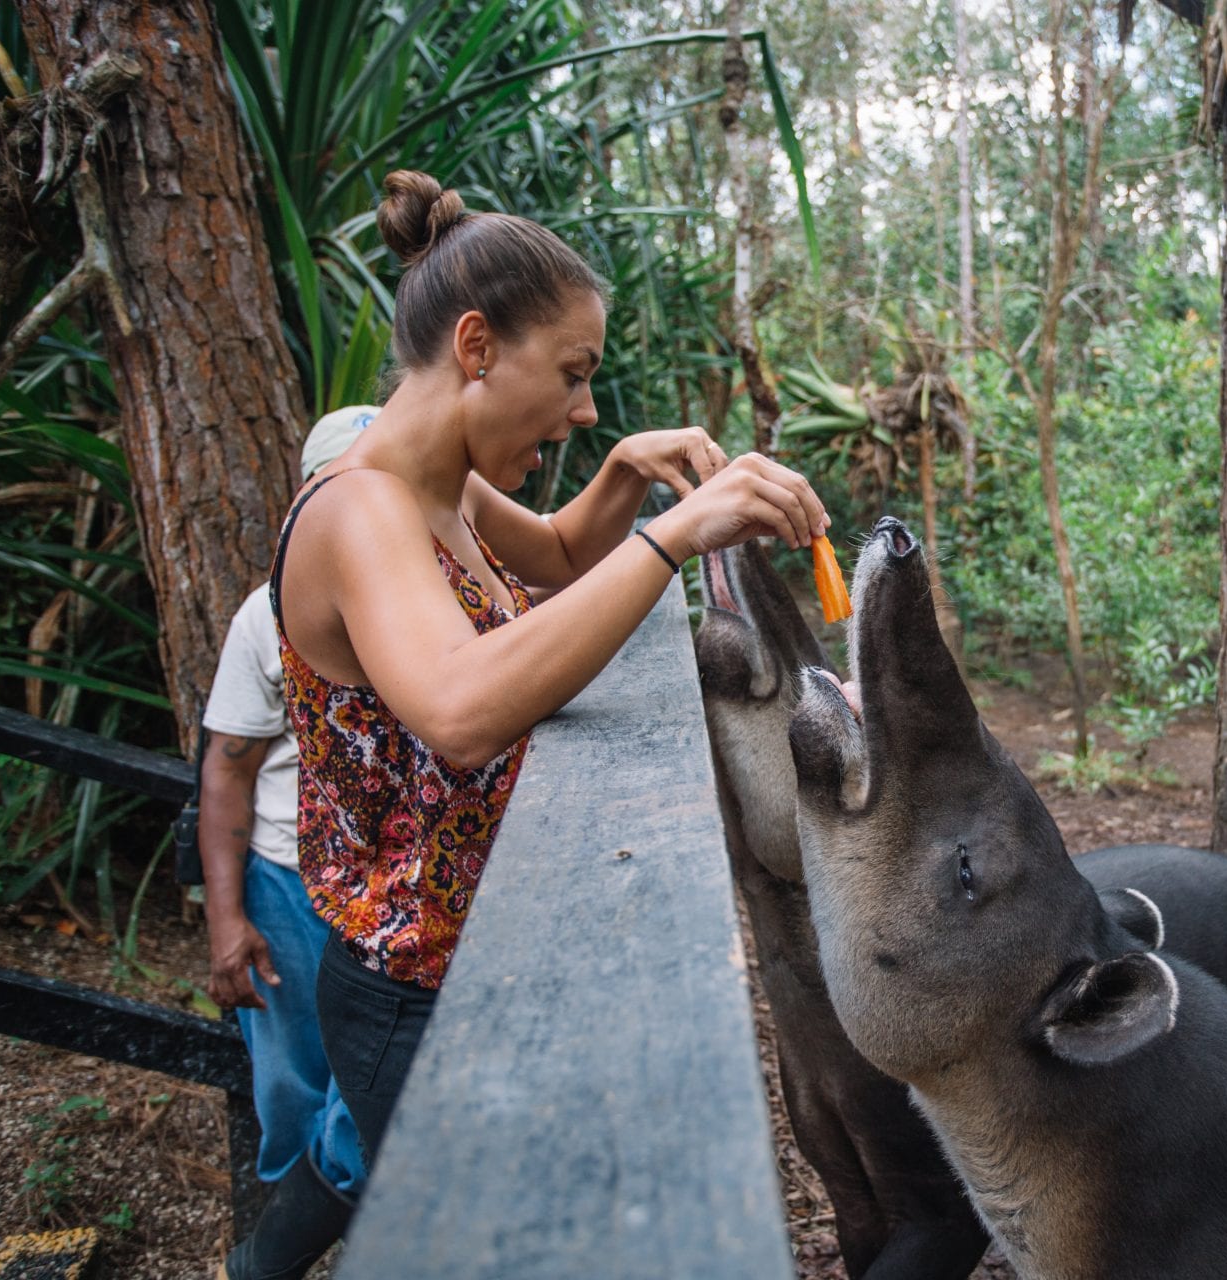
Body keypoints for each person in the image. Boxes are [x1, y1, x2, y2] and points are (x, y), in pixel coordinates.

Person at [269, 171, 828, 1180]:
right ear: (475, 346)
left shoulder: (449, 488)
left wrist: (622, 471)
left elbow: (563, 562)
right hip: (414, 991)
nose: (582, 407)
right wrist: (672, 532)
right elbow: (461, 707)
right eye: (573, 374)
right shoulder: (359, 508)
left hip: (497, 950)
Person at [203, 406, 378, 1280]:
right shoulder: (262, 620)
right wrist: (228, 919)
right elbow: (228, 771)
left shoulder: (425, 598)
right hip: (290, 886)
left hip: (390, 891)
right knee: (292, 1091)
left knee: (366, 1098)